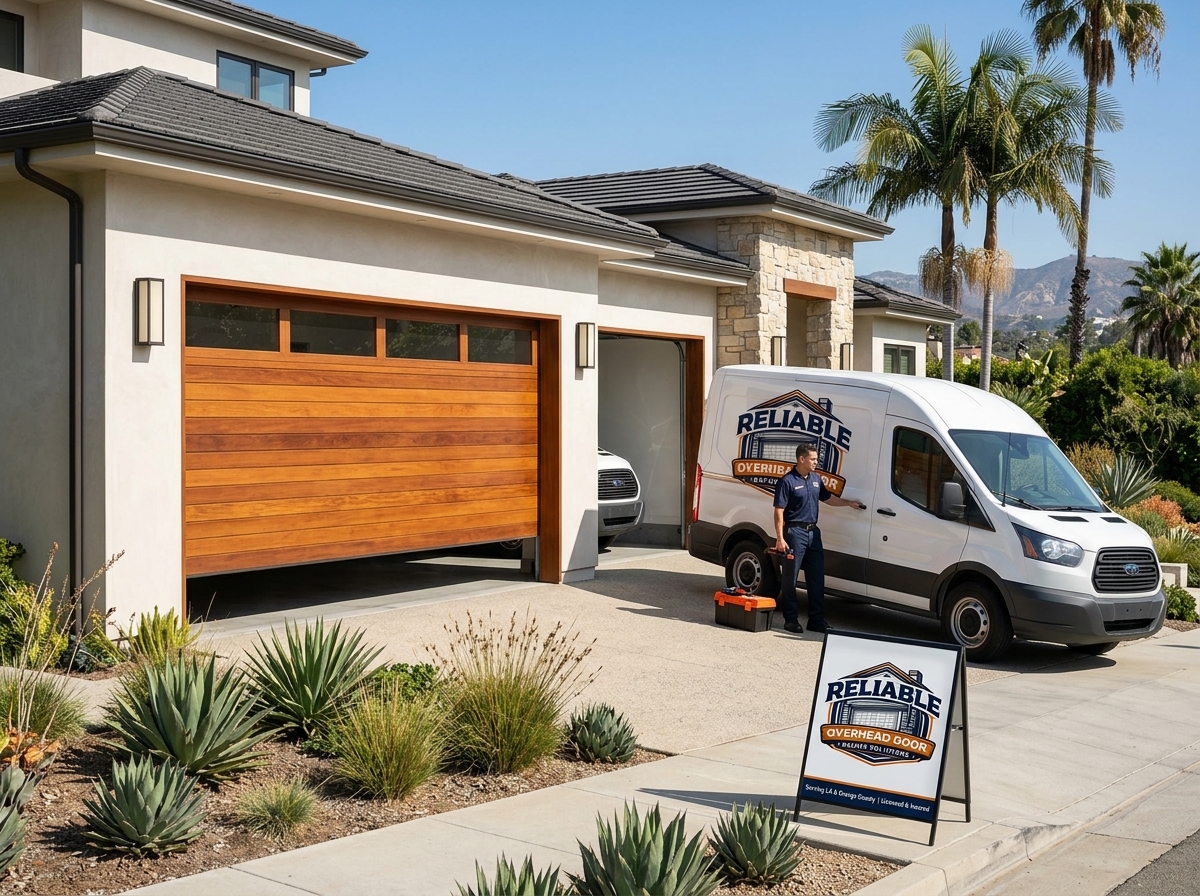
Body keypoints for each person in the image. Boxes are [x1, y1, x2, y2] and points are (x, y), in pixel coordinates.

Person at [773, 443, 866, 634]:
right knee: (790, 579)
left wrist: (848, 503)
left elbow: (827, 498)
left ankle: (816, 620)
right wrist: (780, 538)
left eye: (816, 459)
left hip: (813, 534)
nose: (816, 462)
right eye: (813, 459)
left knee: (816, 579)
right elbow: (779, 511)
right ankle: (791, 620)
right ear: (802, 459)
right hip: (794, 533)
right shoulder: (787, 481)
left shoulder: (815, 479)